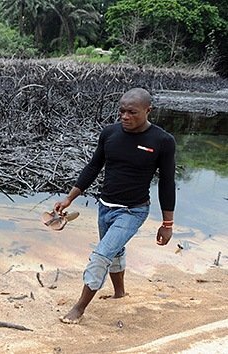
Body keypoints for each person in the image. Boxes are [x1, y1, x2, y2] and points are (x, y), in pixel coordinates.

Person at [54, 87, 176, 324]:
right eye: (122, 111)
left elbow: (167, 183)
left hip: (133, 211)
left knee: (101, 255)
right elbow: (93, 167)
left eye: (132, 112)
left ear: (148, 111)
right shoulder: (110, 133)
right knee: (115, 251)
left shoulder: (162, 141)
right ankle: (119, 292)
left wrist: (167, 223)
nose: (125, 117)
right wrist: (69, 198)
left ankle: (79, 308)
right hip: (105, 207)